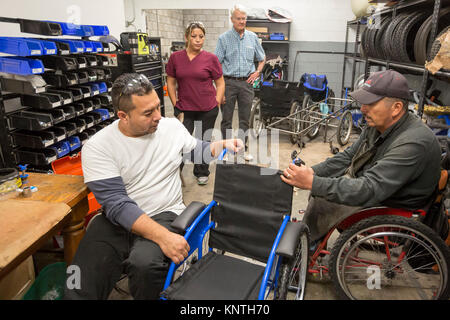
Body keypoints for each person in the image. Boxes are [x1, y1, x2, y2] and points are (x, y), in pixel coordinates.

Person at [64, 73, 243, 300]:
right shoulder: (98, 147)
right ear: (123, 116)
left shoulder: (170, 128)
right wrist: (164, 238)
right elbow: (117, 205)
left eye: (158, 106)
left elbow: (197, 150)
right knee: (79, 279)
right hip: (117, 220)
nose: (158, 116)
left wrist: (220, 144)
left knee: (145, 265)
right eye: (148, 113)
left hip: (164, 213)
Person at [281, 69, 442, 241]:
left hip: (396, 208)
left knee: (323, 199)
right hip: (383, 193)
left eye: (370, 103)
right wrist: (311, 172)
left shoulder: (414, 143)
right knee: (323, 186)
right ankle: (312, 242)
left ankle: (305, 249)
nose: (363, 109)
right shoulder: (378, 126)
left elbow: (369, 188)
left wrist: (313, 183)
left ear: (396, 108)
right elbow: (348, 157)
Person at [166, 21, 225, 185]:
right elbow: (170, 82)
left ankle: (201, 171)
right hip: (185, 109)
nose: (198, 40)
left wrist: (217, 102)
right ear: (186, 37)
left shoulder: (211, 59)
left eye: (201, 36)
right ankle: (175, 173)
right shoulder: (175, 58)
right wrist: (175, 103)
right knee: (180, 141)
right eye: (194, 36)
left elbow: (220, 83)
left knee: (204, 140)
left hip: (207, 108)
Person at [215, 4, 266, 161]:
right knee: (227, 120)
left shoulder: (253, 38)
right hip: (228, 83)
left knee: (245, 119)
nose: (242, 21)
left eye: (244, 18)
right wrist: (219, 90)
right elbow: (216, 65)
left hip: (246, 84)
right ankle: (228, 150)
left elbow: (262, 58)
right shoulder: (223, 39)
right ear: (232, 19)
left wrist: (257, 72)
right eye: (239, 18)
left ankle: (242, 149)